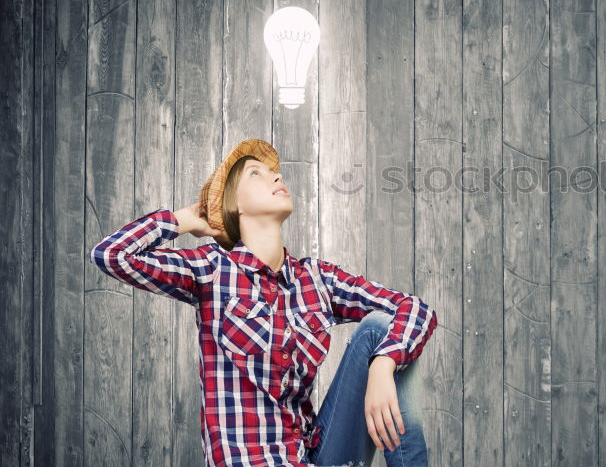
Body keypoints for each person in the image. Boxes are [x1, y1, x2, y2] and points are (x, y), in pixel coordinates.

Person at [88, 138, 438, 467]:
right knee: (387, 338)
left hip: (314, 457)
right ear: (233, 204)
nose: (276, 176)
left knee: (382, 333)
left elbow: (414, 309)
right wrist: (180, 221)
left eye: (274, 172)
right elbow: (111, 254)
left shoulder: (315, 279)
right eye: (256, 174)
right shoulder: (212, 270)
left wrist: (383, 365)